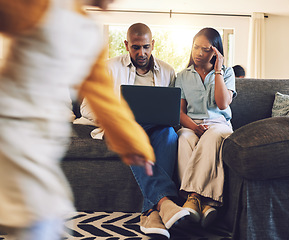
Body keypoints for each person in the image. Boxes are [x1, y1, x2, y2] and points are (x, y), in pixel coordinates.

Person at [0, 1, 156, 239]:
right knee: (37, 221)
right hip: (11, 130)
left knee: (45, 217)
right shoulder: (37, 5)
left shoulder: (88, 33)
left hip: (44, 138)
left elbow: (102, 97)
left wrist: (131, 142)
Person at [81, 23, 189, 239]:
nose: (142, 53)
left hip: (156, 128)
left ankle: (150, 212)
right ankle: (164, 204)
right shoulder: (109, 67)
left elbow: (171, 109)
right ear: (126, 45)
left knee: (169, 134)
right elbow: (86, 107)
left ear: (153, 45)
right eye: (136, 47)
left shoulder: (167, 71)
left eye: (146, 47)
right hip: (122, 128)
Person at [175, 27, 237, 228]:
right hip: (192, 126)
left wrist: (218, 70)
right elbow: (179, 113)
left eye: (205, 49)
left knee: (212, 136)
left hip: (219, 125)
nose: (199, 53)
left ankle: (192, 198)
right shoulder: (183, 76)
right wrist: (193, 127)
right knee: (183, 138)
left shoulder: (227, 73)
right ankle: (206, 205)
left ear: (216, 52)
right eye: (195, 47)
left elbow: (222, 104)